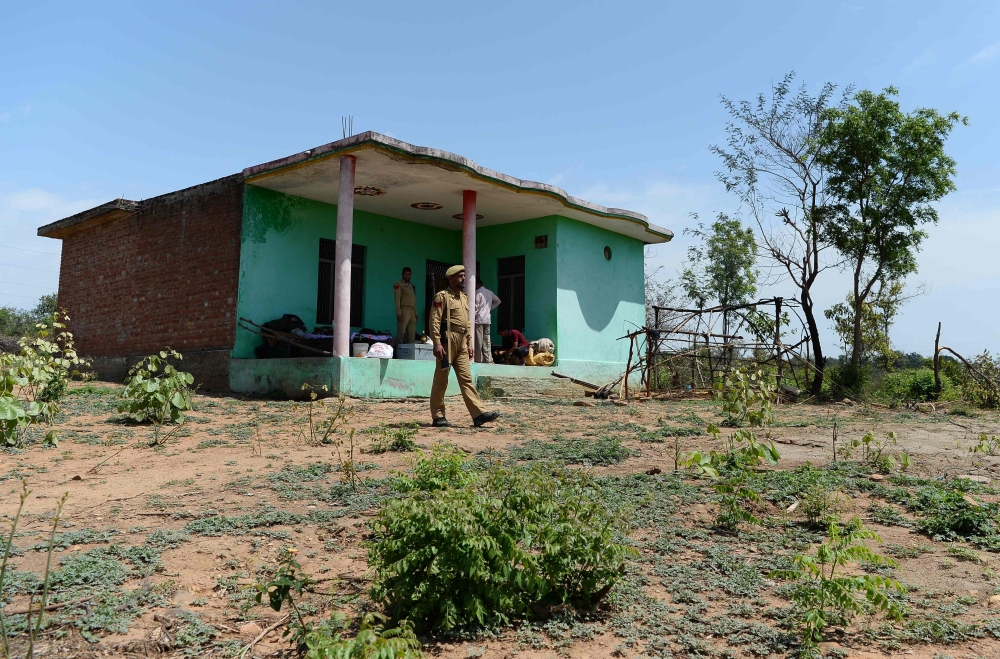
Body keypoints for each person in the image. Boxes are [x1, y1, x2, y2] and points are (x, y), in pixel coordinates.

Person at [428, 265, 500, 428]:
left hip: (461, 342)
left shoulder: (465, 298)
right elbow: (435, 321)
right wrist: (437, 343)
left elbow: (467, 323)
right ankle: (438, 416)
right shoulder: (442, 296)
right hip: (447, 342)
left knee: (466, 379)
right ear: (451, 278)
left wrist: (469, 343)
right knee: (441, 380)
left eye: (464, 276)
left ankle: (478, 414)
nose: (463, 279)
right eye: (460, 276)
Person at [473, 280, 500, 363]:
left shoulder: (478, 292)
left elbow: (476, 306)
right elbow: (498, 301)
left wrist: (472, 316)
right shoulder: (490, 292)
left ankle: (478, 359)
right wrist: (490, 308)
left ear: (478, 284)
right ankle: (488, 359)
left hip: (479, 319)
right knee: (487, 340)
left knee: (479, 340)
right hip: (487, 319)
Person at [394, 267, 417, 346]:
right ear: (402, 274)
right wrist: (398, 312)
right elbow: (397, 299)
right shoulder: (399, 284)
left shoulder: (411, 285)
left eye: (409, 274)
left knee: (411, 335)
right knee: (401, 333)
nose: (407, 276)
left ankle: (410, 355)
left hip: (412, 311)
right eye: (406, 274)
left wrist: (415, 313)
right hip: (404, 310)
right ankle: (397, 353)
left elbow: (413, 300)